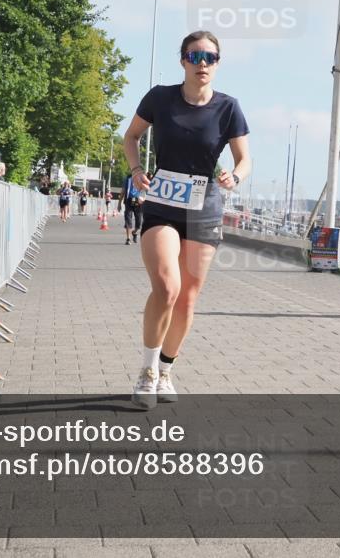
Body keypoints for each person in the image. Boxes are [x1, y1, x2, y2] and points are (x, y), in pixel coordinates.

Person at [122, 30, 250, 409]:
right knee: (166, 287)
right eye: (195, 57)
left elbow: (245, 159)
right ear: (182, 61)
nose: (202, 64)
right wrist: (134, 169)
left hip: (204, 206)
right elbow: (131, 137)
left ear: (218, 63)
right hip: (163, 203)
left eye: (210, 57)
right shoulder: (160, 97)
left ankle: (165, 369)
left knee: (188, 300)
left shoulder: (228, 108)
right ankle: (146, 373)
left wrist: (235, 176)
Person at [121, 172, 145, 245]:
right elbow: (123, 190)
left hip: (138, 201)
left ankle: (134, 232)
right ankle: (128, 238)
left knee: (139, 223)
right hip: (129, 200)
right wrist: (119, 203)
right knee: (128, 219)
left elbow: (145, 191)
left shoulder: (142, 179)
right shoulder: (127, 179)